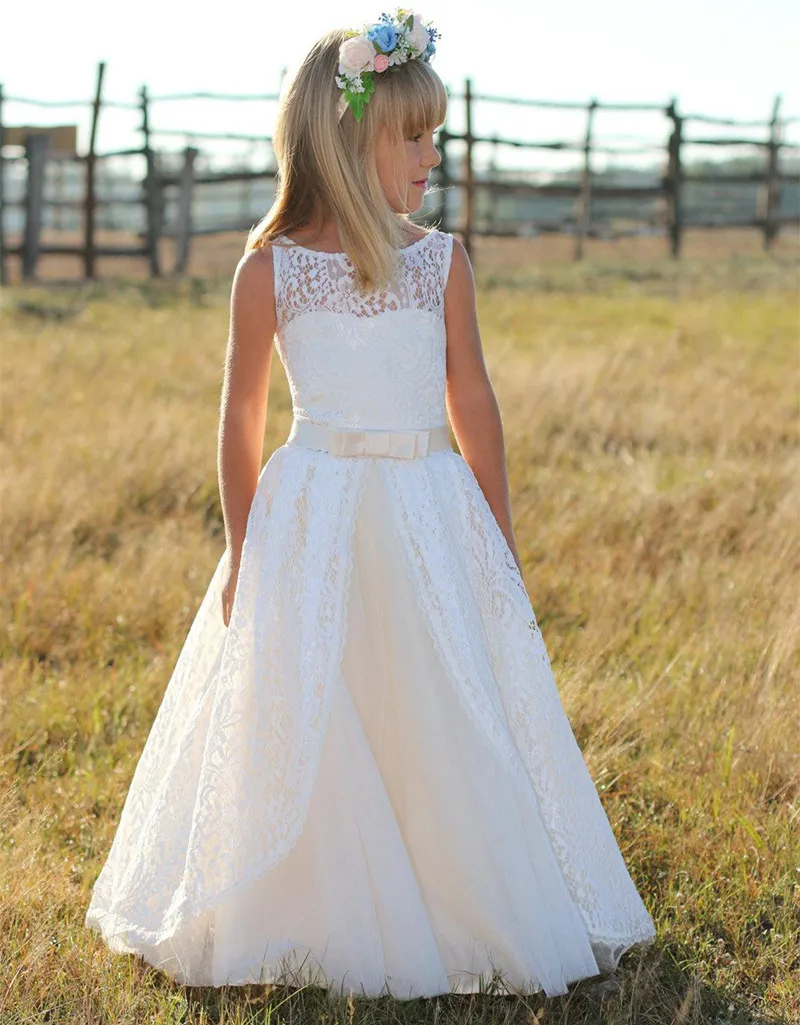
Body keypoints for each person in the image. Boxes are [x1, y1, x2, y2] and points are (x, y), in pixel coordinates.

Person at [85, 8, 656, 1000]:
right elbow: (241, 417)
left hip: (426, 507)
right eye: (413, 135)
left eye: (435, 133)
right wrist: (242, 543)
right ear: (349, 141)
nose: (432, 155)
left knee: (437, 693)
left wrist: (496, 534)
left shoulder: (440, 260)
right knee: (311, 692)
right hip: (314, 509)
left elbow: (469, 396)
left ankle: (458, 891)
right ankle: (311, 900)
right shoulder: (268, 273)